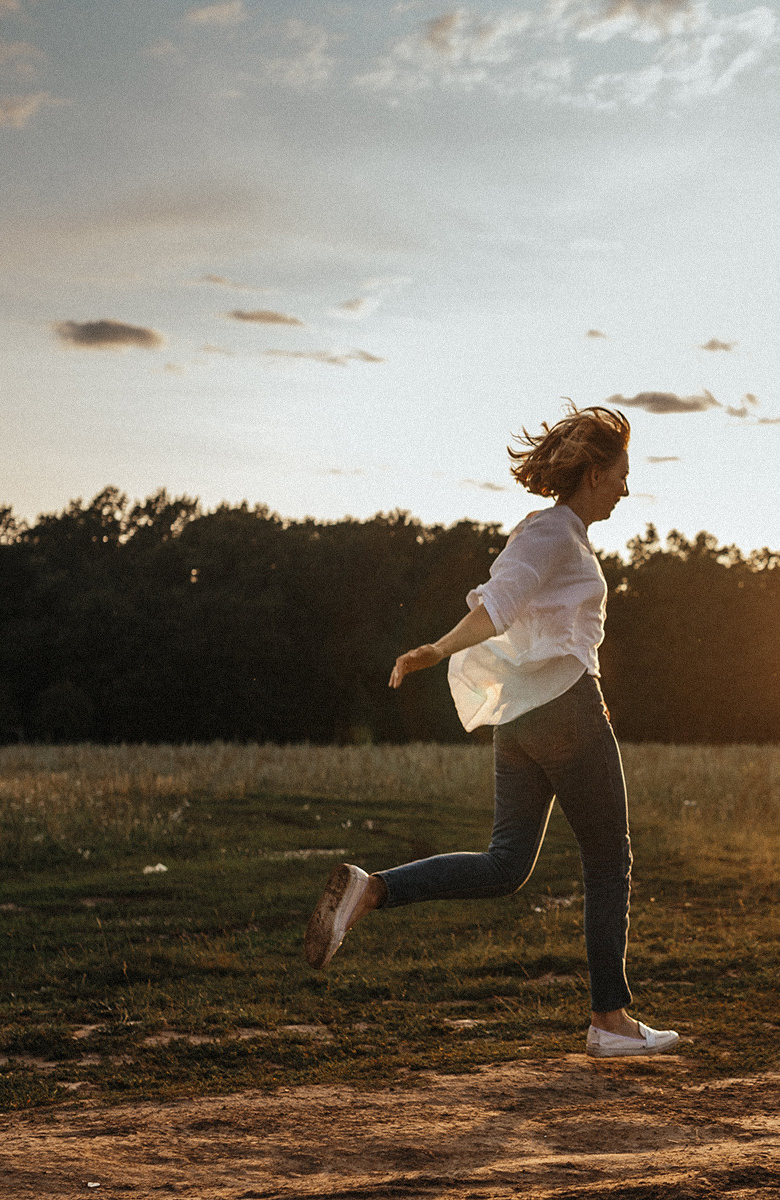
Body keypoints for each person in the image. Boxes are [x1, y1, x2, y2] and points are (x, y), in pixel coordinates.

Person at [302, 403, 678, 1058]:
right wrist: (436, 649)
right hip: (567, 710)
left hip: (522, 721)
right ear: (594, 474)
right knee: (608, 858)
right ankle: (610, 1021)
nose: (626, 488)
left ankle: (374, 889)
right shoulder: (553, 535)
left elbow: (513, 608)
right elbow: (496, 608)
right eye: (621, 474)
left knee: (506, 865)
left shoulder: (552, 534)